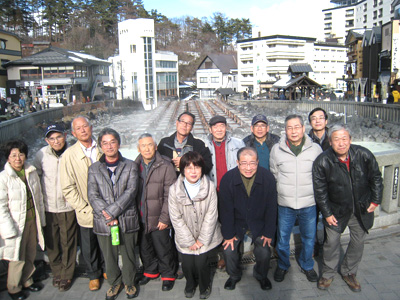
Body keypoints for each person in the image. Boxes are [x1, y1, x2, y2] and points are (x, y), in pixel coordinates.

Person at [313, 124, 383, 292]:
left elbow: (376, 178)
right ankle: (328, 273)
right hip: (336, 210)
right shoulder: (323, 161)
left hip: (361, 208)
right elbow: (320, 190)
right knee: (332, 242)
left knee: (358, 242)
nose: (341, 143)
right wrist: (327, 213)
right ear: (330, 142)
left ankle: (349, 271)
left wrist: (375, 201)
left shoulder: (363, 154)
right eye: (336, 139)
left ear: (350, 140)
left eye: (345, 139)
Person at [88, 128, 140, 300]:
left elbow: (131, 191)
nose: (109, 146)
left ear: (119, 143)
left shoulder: (131, 165)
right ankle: (114, 283)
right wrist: (108, 216)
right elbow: (92, 195)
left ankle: (130, 282)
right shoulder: (94, 169)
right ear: (100, 146)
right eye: (105, 143)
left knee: (128, 253)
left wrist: (111, 212)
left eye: (112, 142)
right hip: (104, 221)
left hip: (127, 218)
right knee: (108, 255)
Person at [270, 115, 322, 283]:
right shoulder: (277, 150)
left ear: (303, 128)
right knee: (283, 238)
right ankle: (283, 265)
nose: (293, 131)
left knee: (309, 238)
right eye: (290, 128)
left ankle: (307, 265)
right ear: (285, 130)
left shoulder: (315, 149)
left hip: (309, 203)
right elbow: (274, 174)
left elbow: (320, 175)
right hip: (285, 203)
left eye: (297, 127)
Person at [219, 147, 277, 291]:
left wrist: (269, 232)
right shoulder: (228, 179)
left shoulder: (267, 178)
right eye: (244, 163)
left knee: (264, 251)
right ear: (237, 163)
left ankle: (261, 276)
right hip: (237, 223)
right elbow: (225, 210)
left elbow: (271, 208)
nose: (248, 168)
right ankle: (234, 276)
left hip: (259, 223)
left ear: (258, 162)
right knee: (229, 250)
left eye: (252, 163)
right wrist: (228, 235)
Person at [168, 151, 223, 299]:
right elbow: (175, 217)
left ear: (202, 169)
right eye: (188, 168)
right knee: (187, 265)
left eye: (197, 167)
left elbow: (211, 215)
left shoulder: (210, 187)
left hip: (205, 236)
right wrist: (189, 241)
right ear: (182, 170)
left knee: (201, 264)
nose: (193, 172)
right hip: (185, 236)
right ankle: (190, 284)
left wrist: (201, 240)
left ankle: (204, 286)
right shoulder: (174, 189)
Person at [60, 116, 104, 291]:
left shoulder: (103, 147)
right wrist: (83, 207)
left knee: (106, 241)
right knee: (88, 243)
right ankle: (93, 275)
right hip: (85, 209)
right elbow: (67, 187)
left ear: (91, 127)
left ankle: (107, 269)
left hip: (106, 206)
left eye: (85, 126)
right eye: (79, 128)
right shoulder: (69, 155)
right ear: (73, 133)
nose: (83, 130)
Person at [33, 124, 78, 292]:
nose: (56, 141)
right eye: (51, 138)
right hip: (49, 206)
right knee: (51, 242)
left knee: (68, 242)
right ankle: (57, 271)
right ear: (47, 140)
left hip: (68, 206)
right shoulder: (41, 155)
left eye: (58, 137)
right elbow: (35, 177)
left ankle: (67, 274)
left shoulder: (72, 152)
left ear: (65, 136)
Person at [0, 140, 46, 300]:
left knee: (30, 252)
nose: (18, 158)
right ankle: (13, 288)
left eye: (21, 154)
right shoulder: (4, 178)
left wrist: (42, 218)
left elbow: (38, 197)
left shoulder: (30, 172)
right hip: (16, 224)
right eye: (13, 155)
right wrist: (8, 229)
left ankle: (27, 280)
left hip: (32, 220)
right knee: (16, 257)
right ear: (7, 158)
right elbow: (1, 207)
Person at [135, 133, 177, 291]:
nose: (147, 149)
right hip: (142, 215)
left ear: (155, 146)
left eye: (150, 145)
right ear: (138, 148)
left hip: (159, 216)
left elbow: (170, 195)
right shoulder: (135, 165)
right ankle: (150, 271)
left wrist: (165, 218)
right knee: (145, 247)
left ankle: (168, 275)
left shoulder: (165, 165)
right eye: (143, 146)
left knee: (163, 247)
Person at [205, 115, 245, 191]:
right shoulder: (205, 145)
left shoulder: (238, 144)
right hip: (214, 190)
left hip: (235, 188)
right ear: (210, 129)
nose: (219, 130)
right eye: (215, 127)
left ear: (226, 128)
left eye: (222, 126)